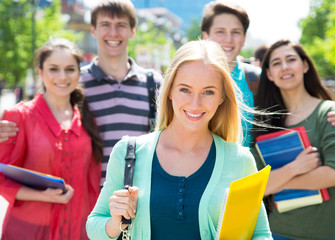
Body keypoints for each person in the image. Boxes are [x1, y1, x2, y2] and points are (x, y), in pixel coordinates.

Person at [86, 40, 273, 239]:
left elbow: (260, 233)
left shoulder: (239, 160)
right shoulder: (127, 153)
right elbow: (94, 225)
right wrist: (115, 222)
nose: (195, 103)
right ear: (170, 91)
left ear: (221, 98)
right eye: (185, 89)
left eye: (208, 92)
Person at [0, 0, 163, 186]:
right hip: (87, 201)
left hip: (140, 195)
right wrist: (10, 125)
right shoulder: (74, 82)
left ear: (132, 31)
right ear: (93, 30)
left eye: (121, 25)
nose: (113, 32)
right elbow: (37, 117)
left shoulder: (154, 83)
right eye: (105, 25)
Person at [200, 0, 335, 146]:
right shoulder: (187, 76)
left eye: (235, 32)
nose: (228, 39)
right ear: (205, 36)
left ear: (244, 38)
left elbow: (299, 107)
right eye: (220, 32)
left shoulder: (257, 78)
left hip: (252, 172)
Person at [251, 39, 335, 239]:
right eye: (276, 63)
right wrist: (295, 168)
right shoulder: (264, 122)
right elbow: (257, 185)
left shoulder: (330, 112)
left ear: (305, 65)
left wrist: (279, 182)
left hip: (330, 230)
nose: (285, 67)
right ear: (270, 75)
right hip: (278, 231)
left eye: (291, 59)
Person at [0, 38, 102, 240]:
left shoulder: (87, 119)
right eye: (53, 69)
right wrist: (42, 195)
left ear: (78, 73)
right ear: (40, 72)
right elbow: (2, 177)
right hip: (29, 231)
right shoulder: (19, 117)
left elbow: (92, 181)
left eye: (70, 69)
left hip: (79, 231)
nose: (62, 77)